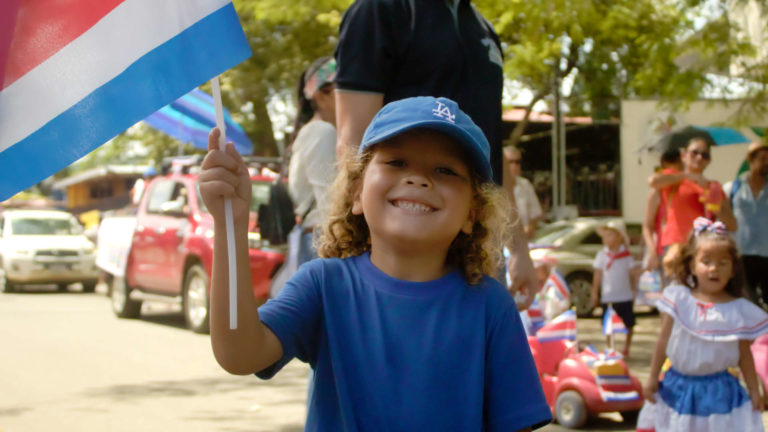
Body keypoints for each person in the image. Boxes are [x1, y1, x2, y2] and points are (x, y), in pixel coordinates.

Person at [199, 97, 552, 431]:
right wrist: (230, 224)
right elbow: (239, 353)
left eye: (445, 170)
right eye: (396, 162)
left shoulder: (491, 306)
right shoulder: (323, 285)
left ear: (472, 214)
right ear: (357, 194)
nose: (418, 179)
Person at [333, 0, 539, 309]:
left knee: (472, 355)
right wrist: (353, 249)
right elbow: (353, 144)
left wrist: (518, 246)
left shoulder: (482, 27)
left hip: (476, 248)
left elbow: (492, 147)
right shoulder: (379, 10)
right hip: (400, 253)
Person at [636, 217, 768, 432]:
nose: (714, 269)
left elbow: (745, 354)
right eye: (706, 262)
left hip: (719, 394)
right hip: (676, 388)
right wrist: (652, 377)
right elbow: (663, 340)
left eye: (722, 263)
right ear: (692, 265)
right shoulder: (679, 299)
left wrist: (754, 390)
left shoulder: (738, 310)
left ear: (733, 269)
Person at [288, 56, 338, 264]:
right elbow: (331, 205)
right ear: (320, 95)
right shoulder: (322, 131)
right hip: (324, 241)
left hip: (315, 238)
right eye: (343, 89)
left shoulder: (312, 131)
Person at [648, 137, 738, 253]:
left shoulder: (713, 186)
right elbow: (653, 181)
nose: (699, 158)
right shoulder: (674, 178)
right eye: (694, 153)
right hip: (676, 245)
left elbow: (732, 225)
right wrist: (686, 176)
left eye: (705, 155)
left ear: (709, 161)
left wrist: (716, 208)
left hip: (702, 246)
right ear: (683, 155)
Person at [590, 220, 639, 356]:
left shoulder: (626, 255)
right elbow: (598, 275)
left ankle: (626, 347)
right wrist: (595, 293)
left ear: (619, 237)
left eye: (609, 235)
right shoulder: (602, 255)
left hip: (625, 295)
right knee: (608, 324)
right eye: (604, 236)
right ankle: (609, 347)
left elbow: (633, 273)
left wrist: (637, 288)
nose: (605, 239)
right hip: (608, 296)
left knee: (629, 323)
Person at [731, 141, 768, 308]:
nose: (766, 163)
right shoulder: (734, 187)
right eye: (762, 158)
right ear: (751, 160)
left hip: (767, 253)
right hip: (742, 253)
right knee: (748, 301)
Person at [642, 148, 683, 273]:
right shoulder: (657, 190)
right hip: (665, 249)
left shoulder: (688, 186)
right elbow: (647, 226)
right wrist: (652, 251)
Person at [504, 146, 543, 238]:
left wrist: (530, 227)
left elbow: (536, 213)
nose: (515, 166)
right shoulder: (494, 185)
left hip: (524, 239)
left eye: (517, 162)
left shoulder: (525, 185)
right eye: (510, 162)